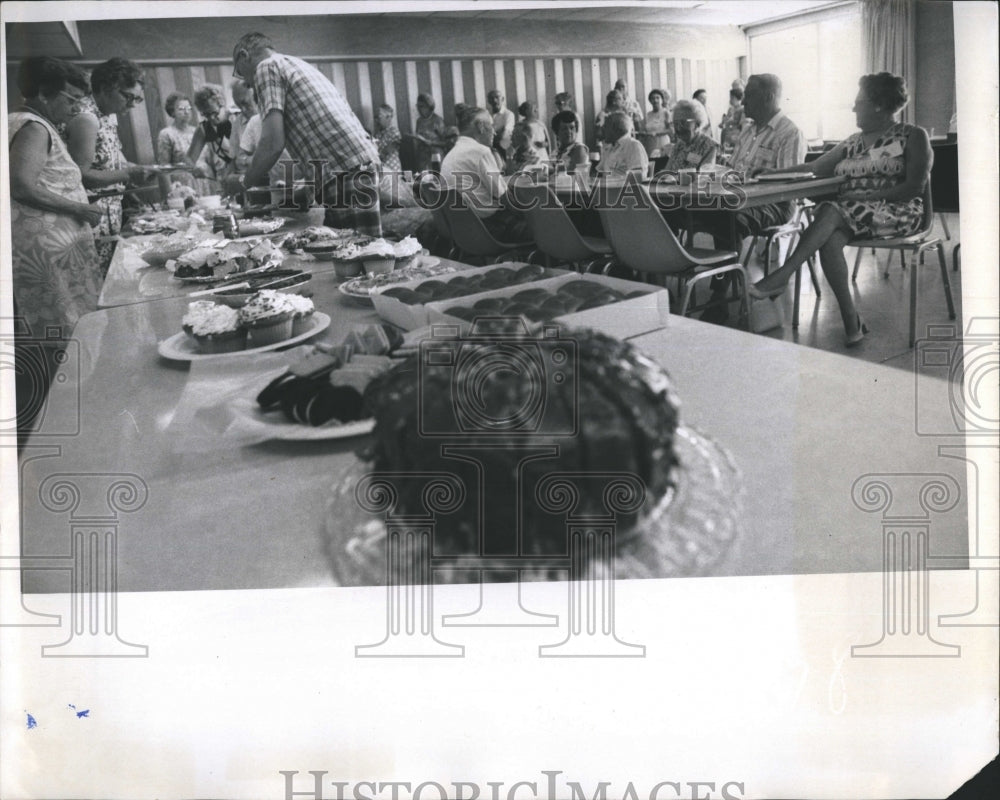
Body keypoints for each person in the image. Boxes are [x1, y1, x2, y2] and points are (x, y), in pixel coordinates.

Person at [749, 73, 932, 346]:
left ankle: (783, 274)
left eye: (859, 102)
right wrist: (773, 172)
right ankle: (851, 321)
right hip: (853, 214)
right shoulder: (853, 141)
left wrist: (870, 195)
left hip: (898, 211)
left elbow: (914, 187)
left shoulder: (913, 136)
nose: (854, 108)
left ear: (879, 104)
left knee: (831, 210)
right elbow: (814, 167)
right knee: (830, 240)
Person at [9, 57, 104, 440]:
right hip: (45, 255)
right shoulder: (31, 125)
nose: (75, 110)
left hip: (52, 251)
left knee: (66, 335)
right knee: (64, 336)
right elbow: (20, 184)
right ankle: (73, 424)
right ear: (46, 94)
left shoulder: (33, 123)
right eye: (72, 100)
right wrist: (79, 208)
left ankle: (74, 416)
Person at [224, 32, 381, 236]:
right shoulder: (296, 63)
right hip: (351, 166)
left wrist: (244, 182)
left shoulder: (265, 66)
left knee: (362, 257)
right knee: (349, 252)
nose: (247, 82)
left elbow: (272, 143)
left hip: (345, 171)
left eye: (240, 74)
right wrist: (307, 190)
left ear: (244, 55)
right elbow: (321, 133)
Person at [698, 73, 806, 322]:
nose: (743, 103)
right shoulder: (748, 131)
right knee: (699, 212)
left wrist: (755, 182)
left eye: (749, 97)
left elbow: (789, 185)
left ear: (768, 97)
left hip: (775, 204)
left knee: (726, 218)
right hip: (738, 199)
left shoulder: (790, 133)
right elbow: (734, 171)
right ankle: (724, 284)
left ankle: (720, 295)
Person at [62, 57, 151, 274]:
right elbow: (80, 176)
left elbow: (111, 162)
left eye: (136, 100)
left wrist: (142, 170)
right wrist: (129, 174)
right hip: (88, 219)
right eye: (127, 97)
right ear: (104, 88)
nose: (131, 105)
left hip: (107, 218)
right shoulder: (87, 118)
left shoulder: (108, 116)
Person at [439, 106, 528, 242]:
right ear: (480, 126)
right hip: (491, 229)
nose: (494, 132)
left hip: (463, 231)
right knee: (545, 224)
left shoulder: (450, 155)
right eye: (491, 125)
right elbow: (505, 198)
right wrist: (529, 214)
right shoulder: (480, 151)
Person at [156, 92, 211, 200]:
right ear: (172, 112)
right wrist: (170, 194)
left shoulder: (198, 131)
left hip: (203, 183)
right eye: (181, 109)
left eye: (189, 108)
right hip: (182, 187)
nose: (186, 112)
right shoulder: (167, 134)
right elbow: (164, 167)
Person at [188, 84, 238, 188]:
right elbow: (189, 160)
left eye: (214, 113)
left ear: (222, 104)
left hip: (246, 174)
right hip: (224, 180)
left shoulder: (237, 119)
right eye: (206, 115)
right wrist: (197, 169)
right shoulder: (204, 129)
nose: (211, 118)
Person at [660, 99, 717, 171]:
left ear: (697, 124)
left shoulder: (710, 146)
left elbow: (705, 176)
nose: (679, 128)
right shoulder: (678, 146)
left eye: (683, 123)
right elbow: (667, 172)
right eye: (675, 123)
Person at [597, 111, 648, 179]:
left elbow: (638, 177)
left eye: (605, 126)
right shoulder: (610, 148)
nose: (602, 130)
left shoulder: (633, 145)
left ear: (616, 129)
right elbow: (600, 172)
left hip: (624, 188)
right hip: (607, 187)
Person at [412, 92, 446, 172]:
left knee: (436, 177)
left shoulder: (437, 120)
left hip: (435, 155)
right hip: (423, 156)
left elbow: (445, 142)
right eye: (418, 106)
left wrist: (431, 142)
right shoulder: (419, 121)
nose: (419, 109)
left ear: (429, 107)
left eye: (422, 106)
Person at [638, 88, 672, 158]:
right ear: (650, 101)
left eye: (657, 98)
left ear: (662, 100)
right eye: (653, 98)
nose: (655, 100)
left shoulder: (666, 113)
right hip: (650, 144)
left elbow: (671, 130)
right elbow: (643, 130)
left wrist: (656, 133)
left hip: (663, 142)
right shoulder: (648, 115)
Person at [487, 89, 516, 161]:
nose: (494, 100)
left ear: (502, 99)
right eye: (491, 98)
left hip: (504, 147)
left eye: (497, 97)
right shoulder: (486, 114)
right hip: (490, 148)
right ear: (488, 101)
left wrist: (490, 136)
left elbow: (504, 135)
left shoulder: (508, 114)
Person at [374, 103, 402, 174]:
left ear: (388, 117)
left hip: (392, 166)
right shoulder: (378, 133)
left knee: (395, 184)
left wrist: (381, 155)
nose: (377, 120)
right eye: (376, 118)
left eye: (379, 117)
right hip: (383, 167)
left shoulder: (393, 130)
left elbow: (393, 145)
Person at [718, 86, 745, 151]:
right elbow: (726, 121)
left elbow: (741, 125)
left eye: (732, 98)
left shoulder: (742, 109)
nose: (730, 100)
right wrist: (723, 123)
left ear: (738, 98)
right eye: (730, 97)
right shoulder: (731, 109)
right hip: (727, 135)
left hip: (735, 135)